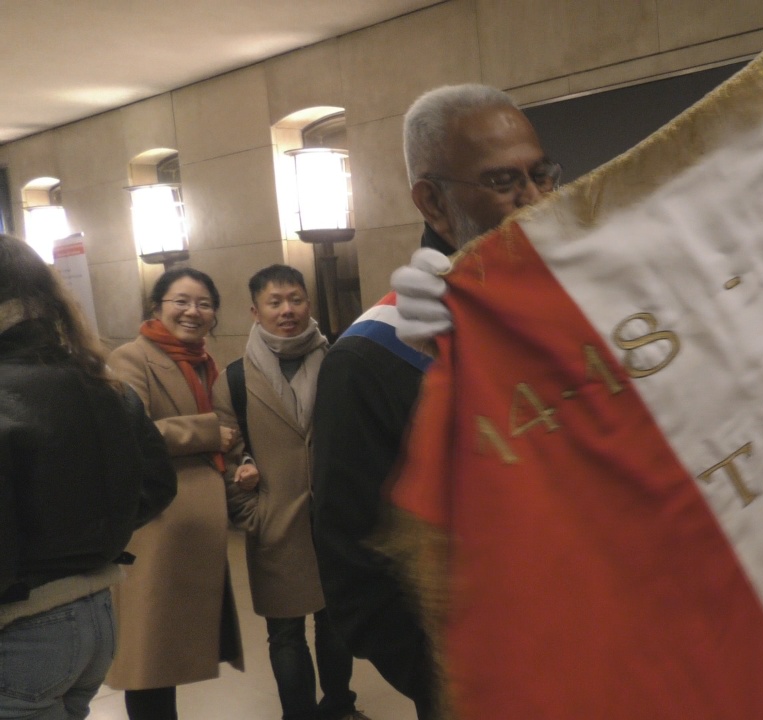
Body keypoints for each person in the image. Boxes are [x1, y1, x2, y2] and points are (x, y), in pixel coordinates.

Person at [310, 83, 557, 719]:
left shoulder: (572, 315)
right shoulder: (373, 358)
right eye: (504, 182)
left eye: (542, 176)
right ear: (433, 201)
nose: (534, 202)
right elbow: (356, 569)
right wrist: (460, 685)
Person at [0, 234, 176, 720]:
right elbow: (157, 485)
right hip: (96, 613)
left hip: (21, 627)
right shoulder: (102, 382)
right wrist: (86, 538)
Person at [211, 265, 369, 720]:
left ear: (308, 304)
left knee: (335, 623)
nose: (287, 311)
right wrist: (252, 514)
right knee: (284, 634)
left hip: (335, 521)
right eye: (275, 302)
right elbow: (229, 453)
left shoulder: (340, 360)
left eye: (295, 299)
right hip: (275, 523)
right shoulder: (235, 379)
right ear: (255, 311)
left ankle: (340, 704)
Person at [105, 267, 245, 720]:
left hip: (195, 533)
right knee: (149, 659)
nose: (193, 311)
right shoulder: (131, 358)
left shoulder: (206, 362)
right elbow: (130, 433)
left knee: (176, 650)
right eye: (181, 301)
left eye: (204, 304)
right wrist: (207, 433)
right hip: (157, 530)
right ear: (157, 306)